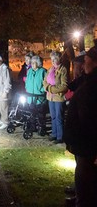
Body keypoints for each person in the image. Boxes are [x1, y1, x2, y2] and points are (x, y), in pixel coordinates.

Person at [64, 47, 97, 207]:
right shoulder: (87, 79)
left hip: (88, 142)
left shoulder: (93, 85)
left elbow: (90, 117)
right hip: (81, 141)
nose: (83, 64)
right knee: (82, 173)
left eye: (86, 61)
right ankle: (80, 196)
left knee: (86, 175)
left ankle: (83, 201)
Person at [43, 51, 68, 144]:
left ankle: (60, 136)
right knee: (53, 116)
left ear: (59, 59)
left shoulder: (63, 70)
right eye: (52, 59)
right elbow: (44, 81)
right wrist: (47, 87)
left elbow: (64, 86)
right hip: (50, 97)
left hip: (58, 98)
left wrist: (51, 89)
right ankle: (54, 134)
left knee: (58, 117)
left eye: (55, 59)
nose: (53, 61)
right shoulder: (50, 69)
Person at [25, 55, 47, 131]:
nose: (33, 64)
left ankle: (42, 128)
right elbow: (27, 82)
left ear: (38, 63)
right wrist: (27, 88)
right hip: (30, 97)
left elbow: (45, 83)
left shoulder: (43, 71)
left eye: (34, 63)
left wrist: (42, 90)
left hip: (39, 97)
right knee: (32, 113)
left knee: (41, 114)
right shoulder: (29, 71)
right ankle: (32, 127)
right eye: (32, 62)